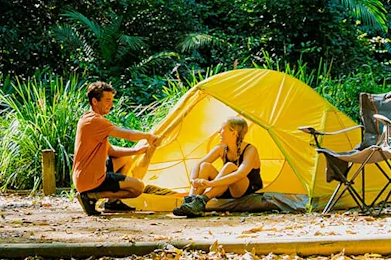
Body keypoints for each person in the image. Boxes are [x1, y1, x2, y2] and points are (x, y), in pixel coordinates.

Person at [73, 81, 160, 217]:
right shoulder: (95, 121)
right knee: (138, 188)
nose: (111, 105)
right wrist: (148, 136)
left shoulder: (88, 119)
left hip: (85, 176)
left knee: (125, 158)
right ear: (95, 101)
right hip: (91, 179)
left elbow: (111, 151)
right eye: (107, 100)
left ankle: (113, 202)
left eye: (112, 101)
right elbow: (128, 134)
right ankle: (91, 196)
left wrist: (136, 151)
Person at [172, 116, 262, 217]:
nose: (219, 131)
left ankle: (203, 200)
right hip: (224, 188)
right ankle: (191, 200)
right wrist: (193, 179)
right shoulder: (221, 148)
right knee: (205, 166)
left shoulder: (250, 150)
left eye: (223, 129)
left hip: (245, 189)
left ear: (234, 133)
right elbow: (198, 165)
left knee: (230, 166)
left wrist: (211, 184)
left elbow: (240, 174)